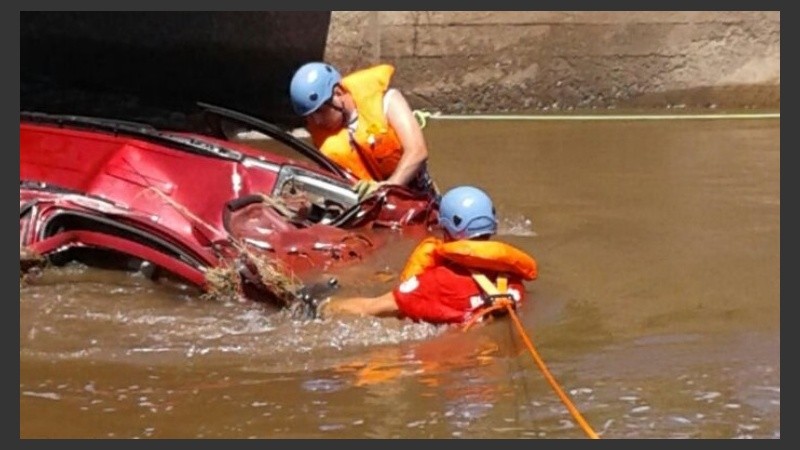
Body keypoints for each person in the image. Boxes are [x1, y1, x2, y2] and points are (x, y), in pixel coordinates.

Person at [318, 185, 538, 324]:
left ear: (445, 229)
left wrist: (323, 305)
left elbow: (370, 308)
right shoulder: (513, 281)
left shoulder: (436, 284)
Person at [289, 61, 438, 200]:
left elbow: (417, 152)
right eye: (310, 117)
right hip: (370, 206)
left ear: (337, 94)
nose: (316, 122)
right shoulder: (325, 138)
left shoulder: (387, 101)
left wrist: (387, 187)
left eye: (320, 112)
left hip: (417, 197)